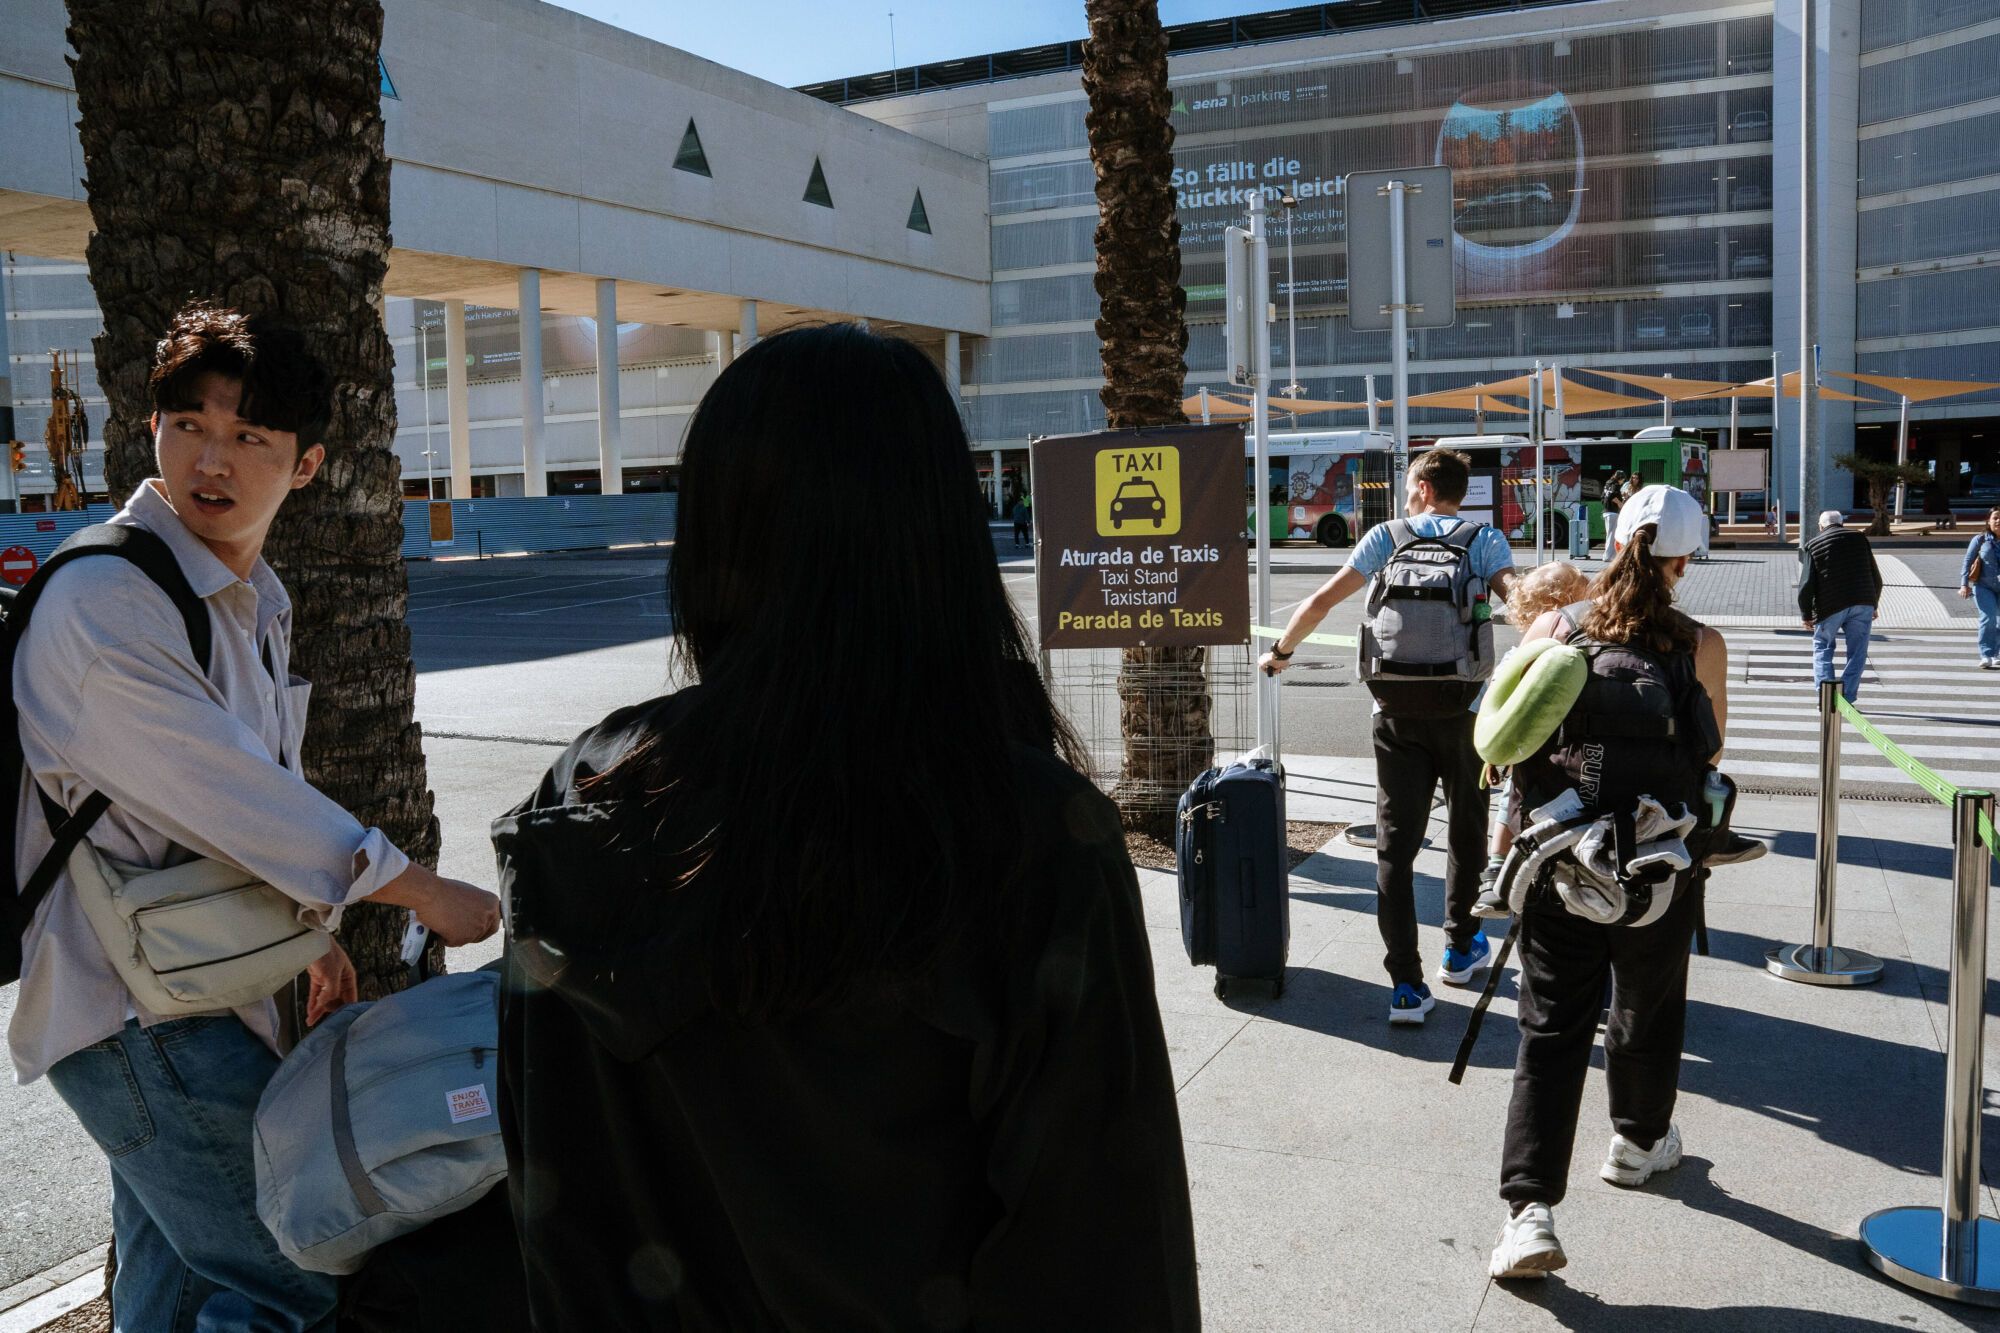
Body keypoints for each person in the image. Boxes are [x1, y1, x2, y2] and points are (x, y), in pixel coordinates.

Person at [494, 323, 1199, 1330]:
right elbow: (1103, 1253)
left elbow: (550, 1185)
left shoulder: (591, 788)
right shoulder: (1019, 830)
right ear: (937, 535)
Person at [11, 301, 501, 1330]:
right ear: (153, 432)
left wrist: (307, 937)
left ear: (307, 464)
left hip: (193, 992)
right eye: (187, 424)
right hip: (137, 1018)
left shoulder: (246, 595)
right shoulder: (106, 602)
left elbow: (224, 809)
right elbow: (237, 792)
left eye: (248, 436)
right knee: (300, 1272)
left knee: (186, 1282)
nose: (210, 458)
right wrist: (417, 888)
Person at [1486, 485, 1729, 1281]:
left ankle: (1528, 1214)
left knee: (1551, 1027)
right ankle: (1636, 1141)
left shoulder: (1556, 626)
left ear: (1615, 543)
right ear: (1681, 562)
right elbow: (1711, 755)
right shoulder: (1699, 643)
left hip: (1560, 860)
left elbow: (1506, 734)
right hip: (1657, 866)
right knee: (1648, 1006)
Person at [1262, 449, 1516, 1024]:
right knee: (1467, 831)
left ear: (1424, 487)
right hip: (1465, 712)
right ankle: (1459, 946)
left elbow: (1321, 600)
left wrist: (1280, 653)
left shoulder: (1386, 536)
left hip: (1394, 711)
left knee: (1394, 849)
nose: (1404, 495)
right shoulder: (1483, 540)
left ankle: (1405, 984)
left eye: (1408, 484)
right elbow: (1520, 603)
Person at [1473, 560, 1592, 919]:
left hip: (1525, 739)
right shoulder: (1561, 639)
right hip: (1540, 741)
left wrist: (1493, 755)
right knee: (1513, 798)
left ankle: (1496, 867)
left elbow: (1493, 706)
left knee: (1510, 801)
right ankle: (1496, 868)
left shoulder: (1525, 649)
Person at [1798, 509, 1882, 701]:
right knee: (1858, 652)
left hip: (1830, 604)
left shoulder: (1814, 544)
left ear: (1821, 526)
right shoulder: (1860, 539)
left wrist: (1806, 615)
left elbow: (1806, 584)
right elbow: (1875, 574)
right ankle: (1847, 697)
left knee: (1822, 646)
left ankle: (1827, 699)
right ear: (1841, 523)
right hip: (1862, 601)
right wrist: (1874, 603)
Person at [1960, 508, 2000, 668]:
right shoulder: (1980, 539)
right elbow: (1967, 561)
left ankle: (1997, 653)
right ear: (1989, 521)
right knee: (1988, 618)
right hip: (1984, 587)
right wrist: (1964, 584)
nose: (1998, 521)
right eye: (1995, 518)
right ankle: (1986, 654)